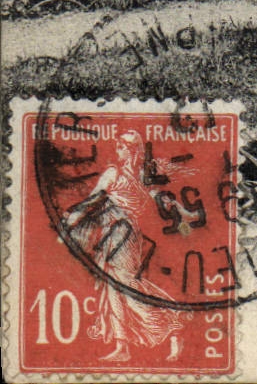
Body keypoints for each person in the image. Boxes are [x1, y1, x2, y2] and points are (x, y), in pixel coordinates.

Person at [60, 132, 183, 363]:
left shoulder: (128, 176)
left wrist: (72, 218)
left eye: (122, 145)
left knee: (127, 285)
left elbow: (94, 200)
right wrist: (74, 216)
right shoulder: (124, 175)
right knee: (113, 287)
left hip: (124, 234)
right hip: (112, 234)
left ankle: (172, 321)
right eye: (117, 144)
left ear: (133, 150)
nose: (118, 148)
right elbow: (93, 201)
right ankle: (122, 345)